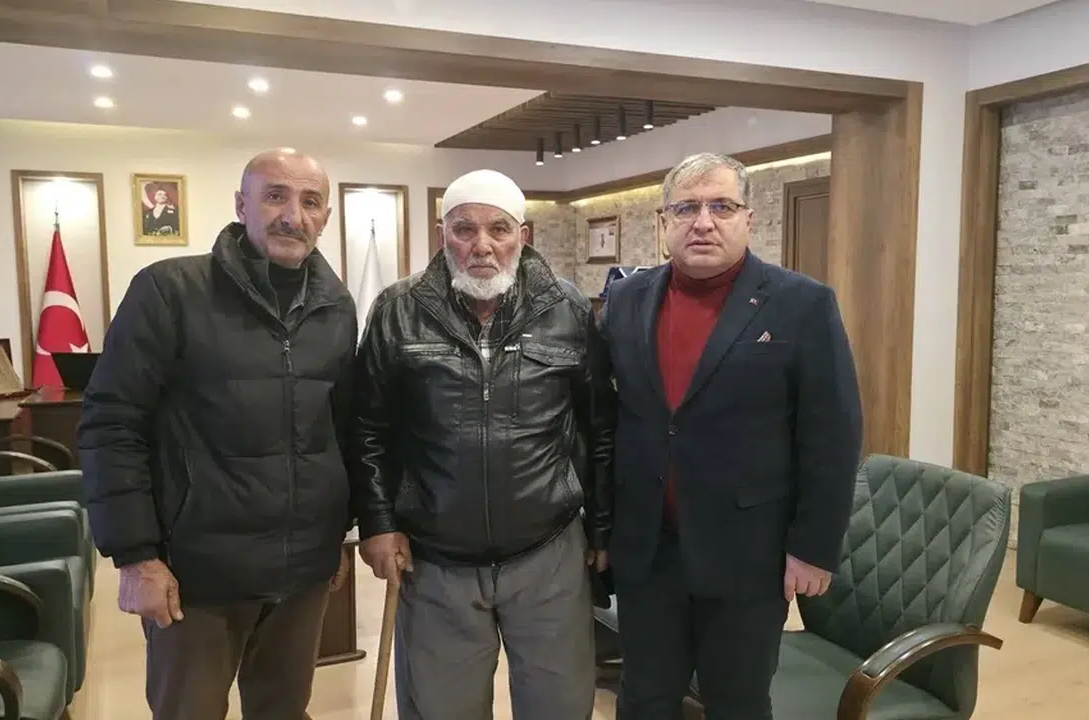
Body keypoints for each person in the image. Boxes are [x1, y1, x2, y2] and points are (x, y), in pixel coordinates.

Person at [77, 148, 358, 720]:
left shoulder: (336, 307)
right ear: (241, 205)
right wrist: (135, 557)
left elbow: (343, 429)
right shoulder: (169, 291)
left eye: (310, 202)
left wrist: (337, 534)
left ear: (326, 217)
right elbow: (112, 424)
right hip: (196, 575)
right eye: (275, 196)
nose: (293, 216)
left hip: (302, 572)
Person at [600, 152, 863, 719]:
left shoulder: (802, 304)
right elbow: (608, 417)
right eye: (686, 208)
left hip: (748, 552)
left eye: (721, 206)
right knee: (643, 697)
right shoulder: (625, 300)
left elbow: (832, 435)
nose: (703, 222)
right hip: (648, 548)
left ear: (749, 218)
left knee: (737, 702)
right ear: (663, 222)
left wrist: (813, 548)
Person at [350, 169, 616, 720]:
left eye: (499, 229)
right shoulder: (398, 309)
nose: (482, 245)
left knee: (560, 708)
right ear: (441, 234)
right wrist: (377, 523)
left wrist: (603, 527)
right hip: (433, 557)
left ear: (523, 235)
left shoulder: (566, 308)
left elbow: (599, 426)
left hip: (548, 551)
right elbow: (367, 426)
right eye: (464, 229)